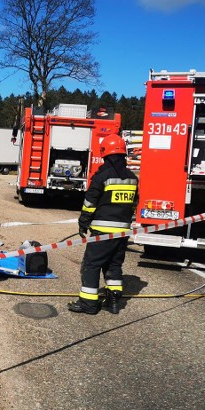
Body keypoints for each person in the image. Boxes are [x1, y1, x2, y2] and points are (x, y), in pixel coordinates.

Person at [69, 134, 138, 315]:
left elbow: (90, 203)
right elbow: (133, 204)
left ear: (105, 153)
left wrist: (83, 222)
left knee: (91, 265)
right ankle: (114, 302)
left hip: (102, 232)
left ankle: (89, 304)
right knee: (114, 265)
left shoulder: (102, 177)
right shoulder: (132, 178)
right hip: (122, 232)